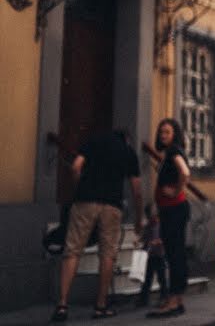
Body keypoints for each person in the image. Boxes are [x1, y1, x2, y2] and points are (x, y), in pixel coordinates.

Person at [51, 130, 142, 322]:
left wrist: (81, 186)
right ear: (127, 139)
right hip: (112, 205)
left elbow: (76, 167)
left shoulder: (93, 141)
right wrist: (139, 218)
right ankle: (100, 306)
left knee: (72, 250)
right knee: (107, 253)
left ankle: (62, 304)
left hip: (85, 200)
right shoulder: (128, 151)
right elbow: (136, 189)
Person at [147, 118, 191, 319]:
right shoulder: (170, 152)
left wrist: (175, 191)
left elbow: (185, 172)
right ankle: (177, 300)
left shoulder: (173, 151)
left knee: (174, 254)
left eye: (167, 132)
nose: (163, 135)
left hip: (174, 209)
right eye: (161, 132)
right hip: (171, 210)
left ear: (175, 134)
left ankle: (173, 301)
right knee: (176, 253)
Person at [136, 203, 168, 308]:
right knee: (147, 278)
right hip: (149, 255)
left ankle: (164, 297)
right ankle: (144, 298)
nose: (152, 218)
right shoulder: (148, 226)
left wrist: (156, 242)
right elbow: (144, 237)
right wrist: (139, 241)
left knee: (161, 277)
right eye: (150, 215)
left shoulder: (161, 225)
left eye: (153, 215)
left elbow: (164, 239)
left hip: (159, 255)